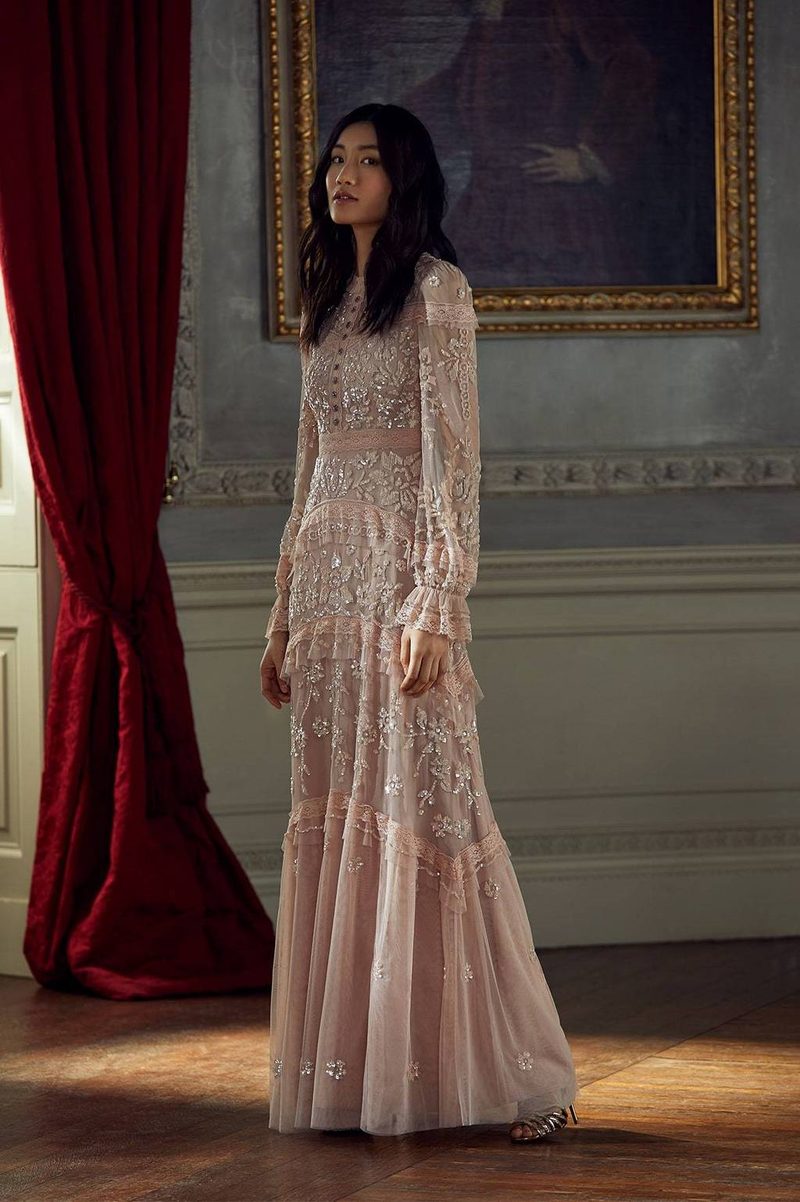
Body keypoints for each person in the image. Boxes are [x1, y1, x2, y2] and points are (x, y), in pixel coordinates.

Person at [260, 102, 579, 1141]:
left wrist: (438, 598)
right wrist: (278, 614)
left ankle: (521, 1074)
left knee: (432, 817)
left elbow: (453, 458)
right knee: (340, 820)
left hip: (399, 579)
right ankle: (367, 1074)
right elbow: (308, 462)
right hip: (325, 589)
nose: (340, 175)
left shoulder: (437, 292)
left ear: (405, 179)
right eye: (333, 160)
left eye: (364, 161)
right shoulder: (323, 292)